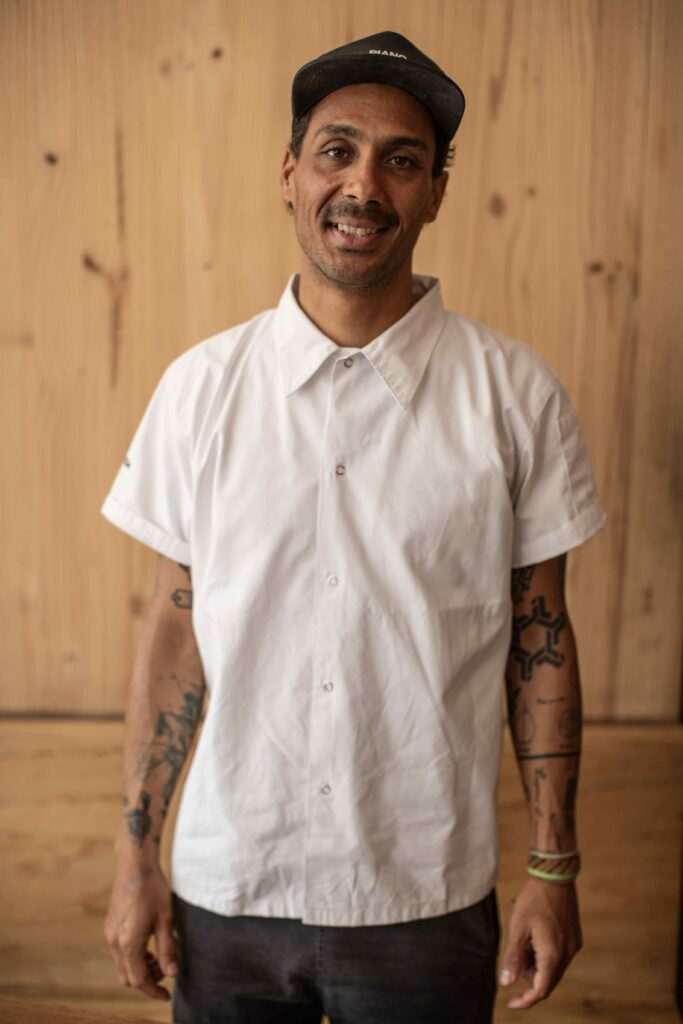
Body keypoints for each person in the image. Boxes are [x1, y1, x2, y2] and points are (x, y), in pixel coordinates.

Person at [101, 29, 607, 1024]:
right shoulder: (201, 389)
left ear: (435, 193)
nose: (362, 186)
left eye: (400, 161)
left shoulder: (515, 396)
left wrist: (552, 866)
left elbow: (539, 637)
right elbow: (175, 632)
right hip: (228, 887)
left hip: (427, 895)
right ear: (290, 173)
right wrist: (134, 859)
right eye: (336, 150)